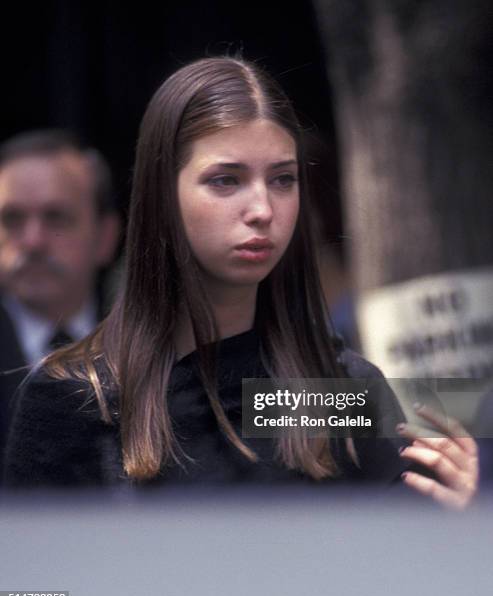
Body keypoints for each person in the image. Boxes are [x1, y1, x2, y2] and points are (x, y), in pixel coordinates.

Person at [3, 58, 478, 509]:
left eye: (283, 179)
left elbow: (389, 582)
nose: (262, 210)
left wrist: (440, 529)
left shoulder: (337, 393)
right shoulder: (74, 398)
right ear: (162, 194)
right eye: (226, 180)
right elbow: (38, 595)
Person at [0, 130, 121, 476]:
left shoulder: (154, 340)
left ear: (106, 236)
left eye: (56, 218)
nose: (33, 241)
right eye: (12, 219)